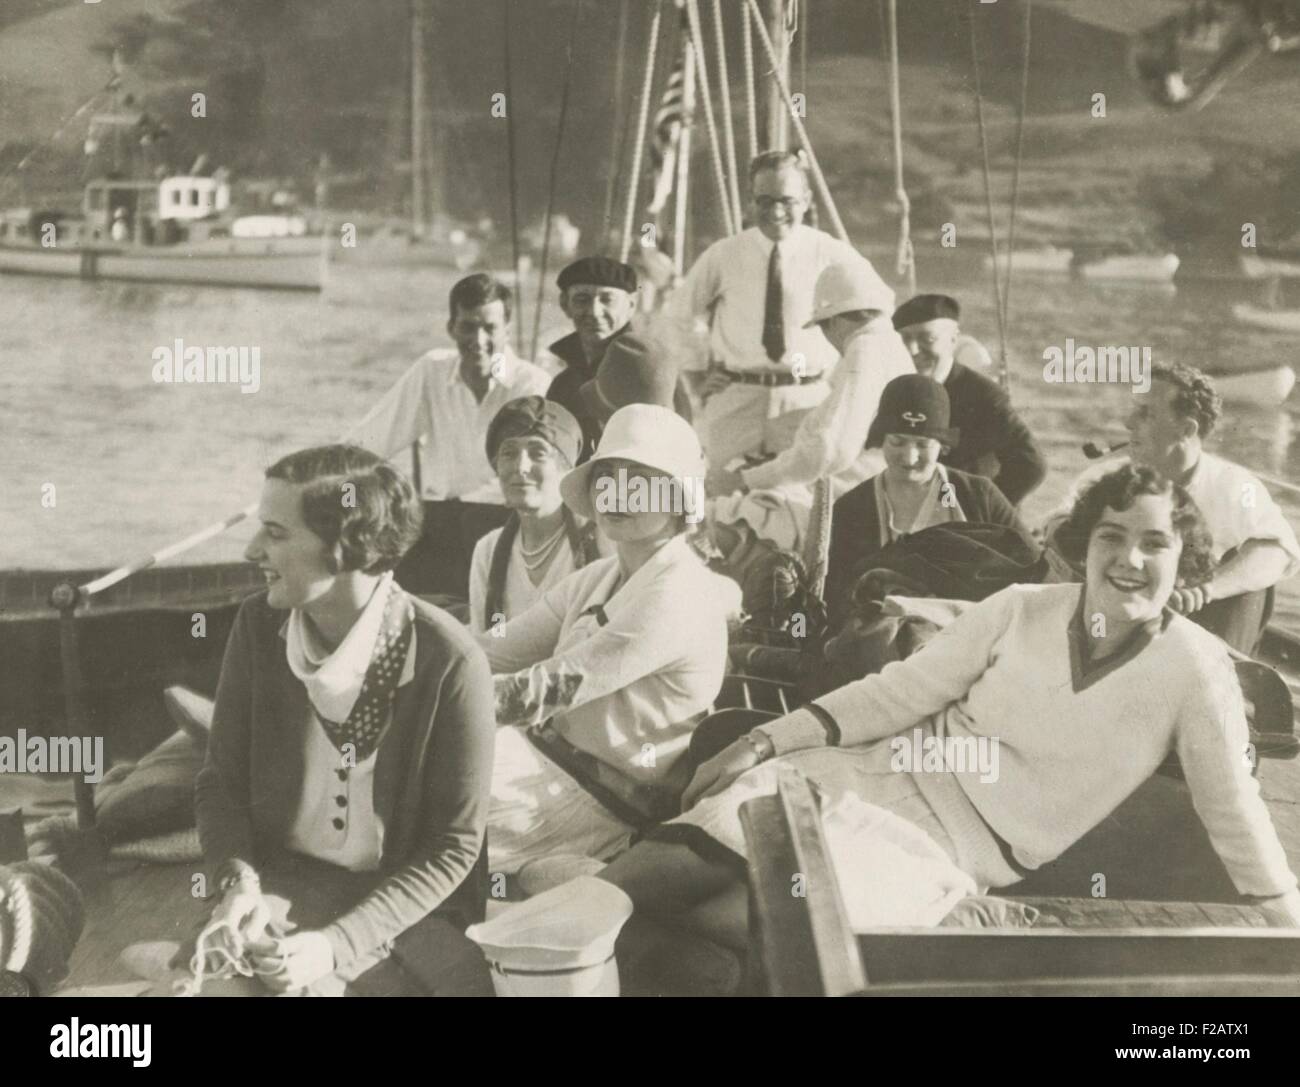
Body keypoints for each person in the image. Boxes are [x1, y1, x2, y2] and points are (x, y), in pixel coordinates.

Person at [581, 464, 1300, 946]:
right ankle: (546, 952)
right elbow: (897, 693)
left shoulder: (1195, 671)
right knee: (656, 872)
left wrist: (1287, 924)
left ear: (1185, 558)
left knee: (739, 920)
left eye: (1155, 543)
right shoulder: (1021, 608)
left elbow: (1235, 812)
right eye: (1112, 536)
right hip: (864, 773)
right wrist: (762, 742)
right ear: (1083, 542)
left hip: (950, 851)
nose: (1130, 560)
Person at [194, 445, 496, 995]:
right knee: (222, 988)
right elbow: (222, 782)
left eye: (276, 534)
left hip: (408, 909)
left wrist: (333, 947)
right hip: (290, 884)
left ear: (347, 546)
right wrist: (237, 885)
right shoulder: (257, 627)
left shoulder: (449, 661)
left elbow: (453, 846)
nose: (251, 550)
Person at [477, 404, 742, 876]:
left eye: (640, 481)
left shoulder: (678, 593)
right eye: (607, 479)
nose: (620, 495)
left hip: (599, 804)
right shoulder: (600, 576)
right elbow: (495, 651)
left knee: (416, 803)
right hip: (540, 762)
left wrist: (429, 703)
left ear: (679, 498)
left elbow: (544, 690)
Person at [1049, 361, 1300, 654]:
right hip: (1116, 618)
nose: (1128, 423)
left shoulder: (1236, 486)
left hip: (1191, 626)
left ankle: (1221, 681)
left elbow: (1277, 551)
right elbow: (1057, 527)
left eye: (1145, 413)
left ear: (1186, 428)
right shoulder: (1103, 479)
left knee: (1254, 581)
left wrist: (1206, 590)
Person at [346, 273, 552, 596]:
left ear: (507, 331)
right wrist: (325, 483)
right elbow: (367, 443)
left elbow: (531, 478)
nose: (479, 339)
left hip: (503, 523)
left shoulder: (533, 385)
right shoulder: (431, 371)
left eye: (490, 328)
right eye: (468, 326)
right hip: (438, 522)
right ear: (451, 328)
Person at [670, 150, 871, 467]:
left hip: (808, 401)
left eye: (787, 201)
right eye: (764, 201)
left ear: (805, 200)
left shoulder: (833, 255)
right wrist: (696, 376)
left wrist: (847, 382)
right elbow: (677, 316)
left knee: (800, 506)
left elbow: (877, 315)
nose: (776, 212)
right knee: (723, 501)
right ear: (751, 202)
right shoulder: (724, 255)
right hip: (736, 399)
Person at [704, 257, 913, 552]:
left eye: (824, 328)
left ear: (837, 320)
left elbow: (831, 450)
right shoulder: (888, 346)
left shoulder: (864, 351)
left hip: (844, 503)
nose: (828, 339)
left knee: (714, 517)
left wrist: (747, 479)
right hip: (869, 493)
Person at [825, 374, 1032, 613]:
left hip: (970, 629)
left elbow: (1032, 565)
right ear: (881, 438)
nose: (909, 457)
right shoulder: (852, 508)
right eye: (897, 442)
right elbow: (835, 597)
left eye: (923, 445)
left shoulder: (978, 495)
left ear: (942, 446)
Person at [892, 294, 1046, 506]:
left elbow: (1031, 466)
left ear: (953, 339)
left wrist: (981, 511)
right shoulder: (897, 388)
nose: (913, 350)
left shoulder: (983, 395)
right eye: (904, 339)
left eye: (927, 339)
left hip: (967, 523)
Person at [468, 397, 601, 632]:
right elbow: (492, 640)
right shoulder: (488, 551)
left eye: (537, 453)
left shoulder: (597, 543)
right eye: (509, 453)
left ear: (566, 467)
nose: (521, 467)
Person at [544, 257, 641, 458]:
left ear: (631, 304)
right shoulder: (563, 385)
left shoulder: (646, 372)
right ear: (565, 304)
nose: (594, 312)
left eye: (607, 300)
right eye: (582, 300)